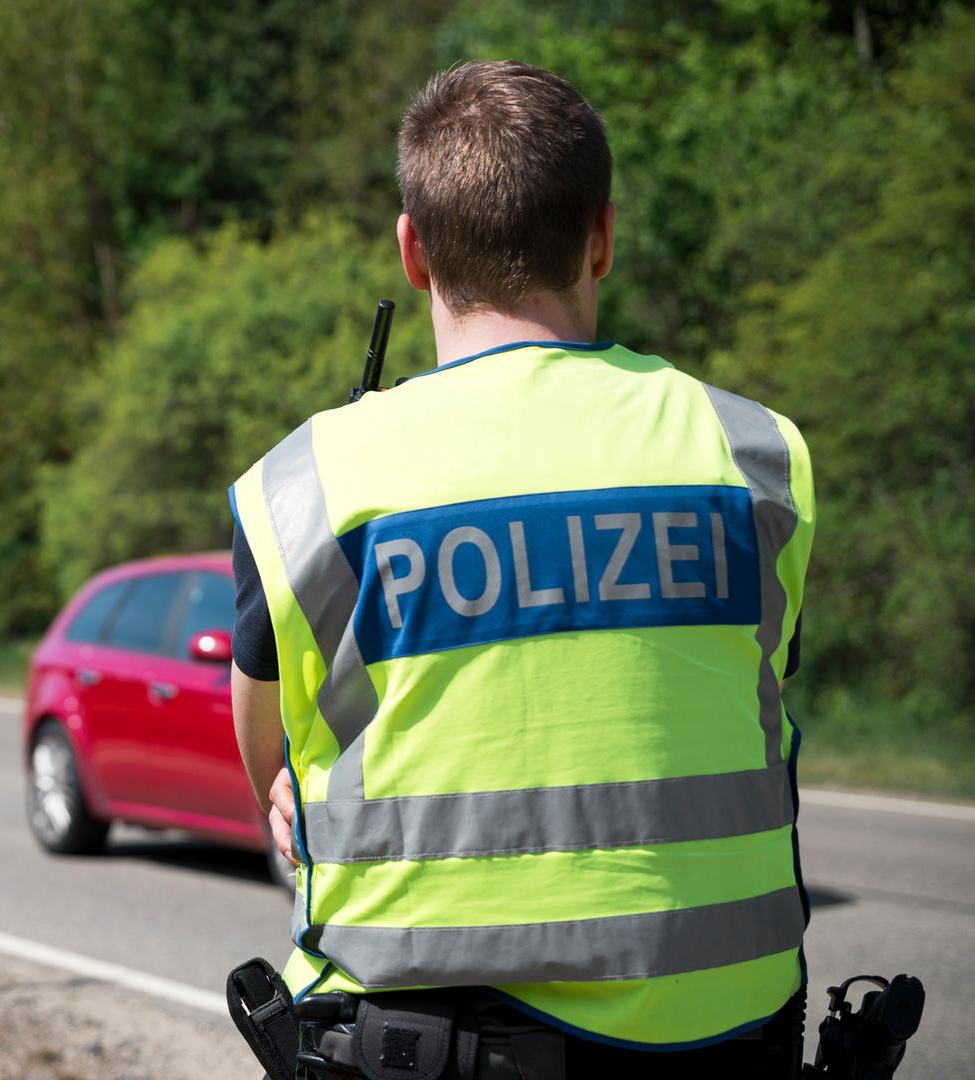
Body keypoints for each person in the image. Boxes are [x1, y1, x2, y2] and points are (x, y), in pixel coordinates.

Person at [229, 62, 813, 1077]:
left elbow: (269, 763)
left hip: (415, 1045)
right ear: (603, 235)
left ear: (413, 252)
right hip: (727, 1040)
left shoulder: (305, 483)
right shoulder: (758, 455)